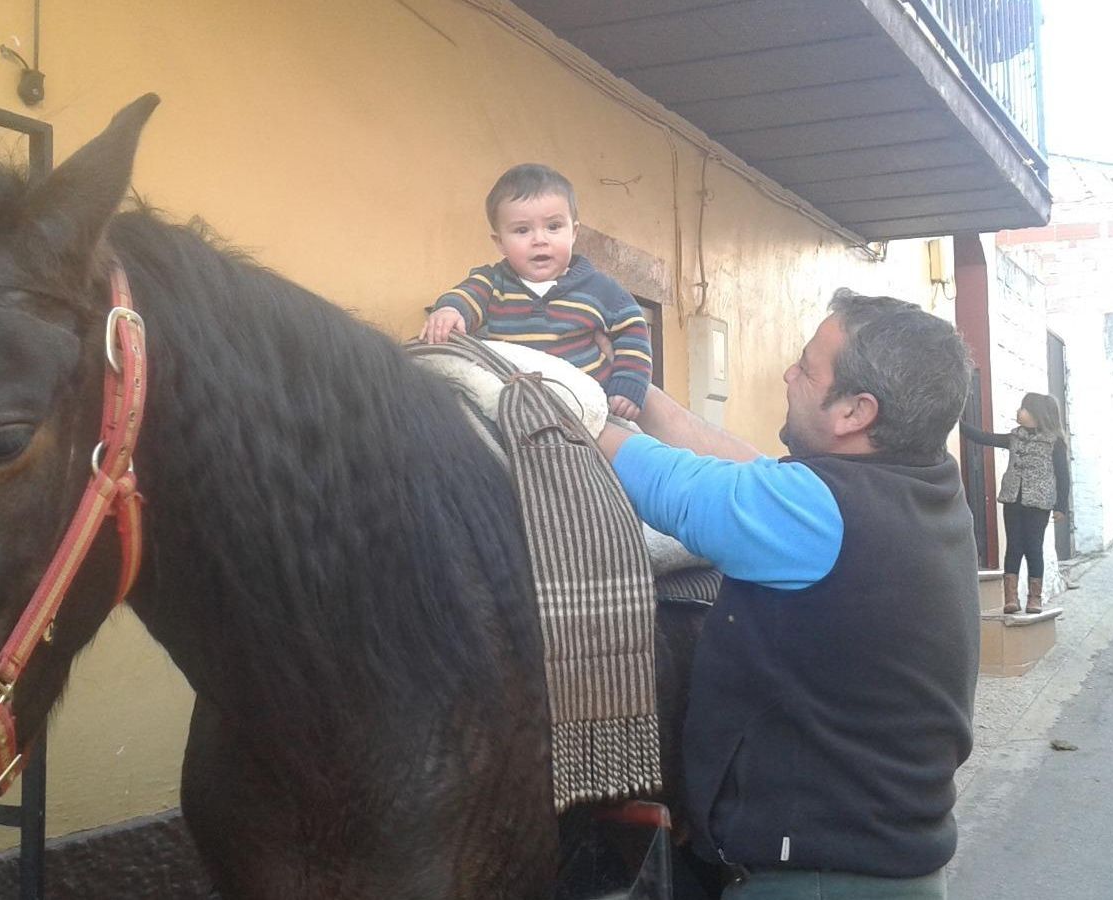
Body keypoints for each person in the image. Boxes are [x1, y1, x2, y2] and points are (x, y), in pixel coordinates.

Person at [596, 290, 979, 899]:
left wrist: (567, 404)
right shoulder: (916, 488)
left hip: (817, 883)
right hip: (878, 869)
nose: (788, 375)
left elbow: (675, 486)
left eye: (806, 366)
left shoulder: (816, 514)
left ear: (855, 411)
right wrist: (640, 395)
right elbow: (747, 474)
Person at [418, 163, 653, 419]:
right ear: (500, 243)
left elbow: (633, 330)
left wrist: (629, 385)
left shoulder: (602, 290)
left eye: (553, 227)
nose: (539, 239)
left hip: (589, 413)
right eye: (522, 230)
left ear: (574, 232)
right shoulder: (493, 282)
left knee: (631, 451)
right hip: (515, 411)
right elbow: (467, 294)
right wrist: (450, 309)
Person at [959, 393, 1070, 614]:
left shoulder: (1054, 442)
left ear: (1036, 414)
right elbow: (984, 438)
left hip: (1038, 503)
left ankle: (1034, 598)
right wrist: (957, 422)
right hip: (1013, 499)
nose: (1019, 412)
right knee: (1014, 546)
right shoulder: (1014, 437)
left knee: (1033, 547)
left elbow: (1062, 475)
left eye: (1024, 409)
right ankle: (1011, 598)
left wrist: (1061, 506)